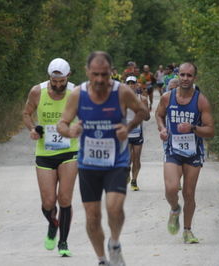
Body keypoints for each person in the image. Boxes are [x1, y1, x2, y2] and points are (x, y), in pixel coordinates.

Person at [57, 51, 147, 265]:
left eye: (104, 74)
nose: (99, 79)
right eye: (95, 74)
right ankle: (102, 260)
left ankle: (114, 243)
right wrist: (70, 131)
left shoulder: (122, 92)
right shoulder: (78, 94)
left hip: (116, 161)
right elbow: (62, 124)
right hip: (88, 163)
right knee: (93, 217)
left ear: (111, 73)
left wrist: (129, 126)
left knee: (114, 209)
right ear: (88, 72)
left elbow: (142, 111)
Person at [22, 58, 78, 257]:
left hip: (69, 152)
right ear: (49, 78)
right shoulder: (37, 91)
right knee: (48, 202)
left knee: (64, 198)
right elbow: (27, 114)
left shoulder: (76, 92)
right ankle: (53, 224)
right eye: (54, 81)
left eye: (61, 81)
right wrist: (32, 129)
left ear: (68, 77)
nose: (58, 85)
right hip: (45, 153)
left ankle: (63, 242)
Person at [155, 62, 214, 244]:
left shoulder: (201, 100)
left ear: (194, 78)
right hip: (172, 149)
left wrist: (193, 127)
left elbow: (210, 130)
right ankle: (174, 208)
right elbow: (159, 115)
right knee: (171, 189)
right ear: (177, 76)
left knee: (189, 193)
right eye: (182, 75)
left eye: (189, 75)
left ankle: (187, 230)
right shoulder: (167, 97)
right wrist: (163, 129)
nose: (185, 78)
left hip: (193, 152)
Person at [125, 76, 150, 191]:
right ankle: (127, 174)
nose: (130, 85)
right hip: (126, 133)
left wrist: (143, 111)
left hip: (137, 133)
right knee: (127, 160)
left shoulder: (142, 99)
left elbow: (147, 118)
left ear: (136, 85)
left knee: (136, 158)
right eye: (128, 83)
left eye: (133, 83)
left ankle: (134, 180)